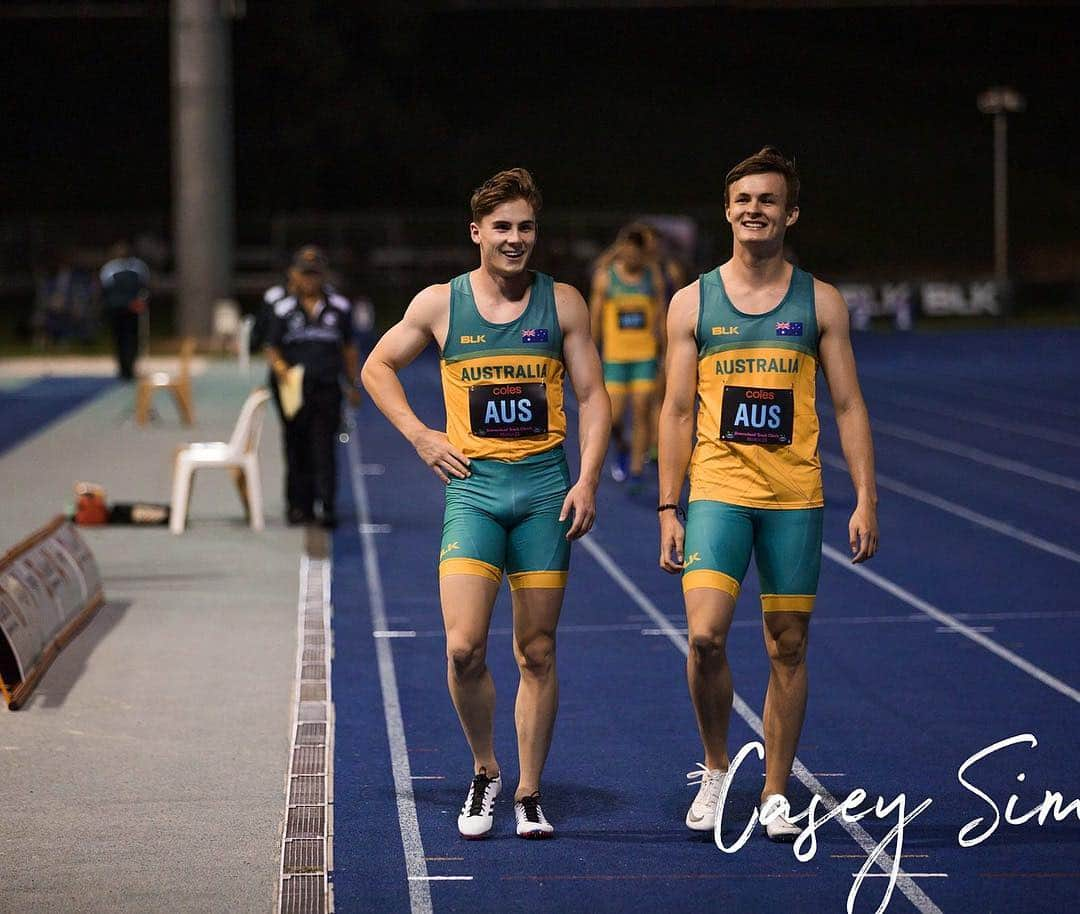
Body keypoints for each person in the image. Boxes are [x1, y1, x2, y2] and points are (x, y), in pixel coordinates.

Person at [362, 168, 610, 840]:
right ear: (476, 233)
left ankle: (529, 791)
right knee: (464, 647)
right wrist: (419, 436)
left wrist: (587, 479)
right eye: (501, 227)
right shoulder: (440, 305)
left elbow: (592, 396)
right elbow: (376, 366)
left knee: (536, 650)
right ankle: (485, 770)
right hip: (474, 493)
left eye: (526, 227)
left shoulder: (562, 305)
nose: (515, 238)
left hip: (543, 495)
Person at [657, 147, 878, 840]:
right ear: (728, 211)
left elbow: (847, 406)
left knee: (788, 645)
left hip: (794, 498)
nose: (755, 209)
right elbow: (676, 411)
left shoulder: (820, 302)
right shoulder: (693, 301)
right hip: (719, 490)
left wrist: (866, 497)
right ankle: (718, 766)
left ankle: (776, 791)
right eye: (744, 199)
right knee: (704, 639)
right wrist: (669, 506)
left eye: (769, 200)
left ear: (790, 213)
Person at [265, 246, 362, 528]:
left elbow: (349, 348)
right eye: (305, 274)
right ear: (295, 274)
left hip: (327, 387)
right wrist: (283, 372)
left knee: (324, 446)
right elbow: (271, 346)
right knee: (295, 446)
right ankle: (298, 506)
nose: (310, 280)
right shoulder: (282, 307)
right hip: (293, 389)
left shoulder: (340, 307)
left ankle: (327, 506)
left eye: (315, 274)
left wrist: (352, 383)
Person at [590, 223, 666, 490]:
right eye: (628, 250)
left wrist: (664, 349)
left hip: (644, 355)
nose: (632, 256)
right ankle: (622, 446)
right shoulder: (606, 278)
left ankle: (635, 469)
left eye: (638, 251)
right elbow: (596, 317)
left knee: (644, 409)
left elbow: (660, 315)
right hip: (615, 358)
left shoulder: (651, 277)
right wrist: (591, 351)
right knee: (613, 417)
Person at [100, 242, 150, 380]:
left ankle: (126, 367)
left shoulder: (110, 268)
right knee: (128, 338)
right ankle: (126, 367)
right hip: (126, 308)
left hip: (121, 308)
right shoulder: (136, 267)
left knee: (124, 338)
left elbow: (105, 288)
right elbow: (144, 287)